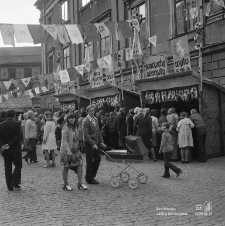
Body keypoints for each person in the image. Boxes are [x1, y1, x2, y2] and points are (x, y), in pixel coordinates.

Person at [60, 113, 87, 191]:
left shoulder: (75, 126)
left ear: (75, 119)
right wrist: (68, 151)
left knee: (80, 165)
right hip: (67, 151)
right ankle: (65, 184)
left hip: (75, 150)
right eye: (70, 118)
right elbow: (64, 140)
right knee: (66, 167)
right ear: (67, 119)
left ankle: (80, 182)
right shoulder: (66, 128)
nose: (71, 119)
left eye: (73, 118)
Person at [83, 105, 106, 184]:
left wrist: (101, 141)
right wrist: (92, 143)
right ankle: (89, 178)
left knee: (98, 159)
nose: (92, 112)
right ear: (87, 112)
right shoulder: (85, 121)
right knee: (90, 161)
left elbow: (98, 131)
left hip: (96, 143)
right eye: (90, 110)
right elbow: (86, 134)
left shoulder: (96, 119)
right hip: (89, 143)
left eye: (93, 110)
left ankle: (91, 175)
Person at [0, 110, 22, 190]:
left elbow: (0, 137)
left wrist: (3, 145)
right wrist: (9, 144)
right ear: (14, 115)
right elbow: (18, 136)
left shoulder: (1, 125)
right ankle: (14, 181)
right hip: (15, 148)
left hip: (6, 149)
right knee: (18, 165)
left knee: (7, 167)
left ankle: (9, 185)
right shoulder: (17, 123)